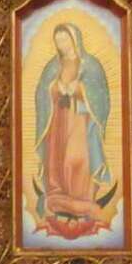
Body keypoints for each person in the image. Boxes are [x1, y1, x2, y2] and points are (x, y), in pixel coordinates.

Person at [33, 23, 113, 239]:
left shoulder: (91, 65)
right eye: (58, 41)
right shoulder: (52, 66)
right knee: (57, 161)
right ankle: (59, 198)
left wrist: (79, 89)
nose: (62, 45)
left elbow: (102, 96)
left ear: (74, 39)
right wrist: (54, 88)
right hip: (58, 120)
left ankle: (83, 200)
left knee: (76, 159)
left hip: (80, 120)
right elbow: (41, 91)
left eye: (65, 40)